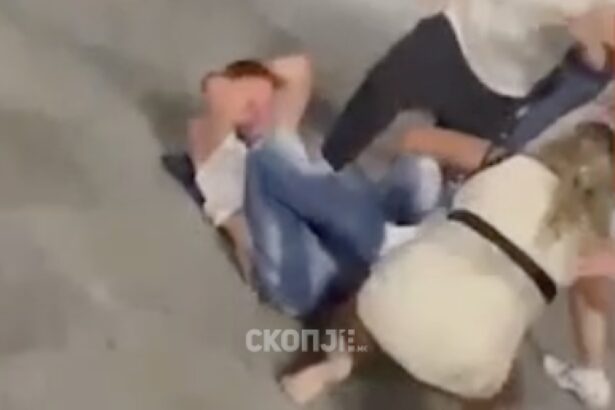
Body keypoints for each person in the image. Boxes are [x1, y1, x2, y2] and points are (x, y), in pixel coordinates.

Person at [192, 55, 440, 319]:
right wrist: (236, 85)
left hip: (344, 256)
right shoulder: (223, 155)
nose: (258, 111)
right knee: (265, 158)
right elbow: (213, 99)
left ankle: (405, 235)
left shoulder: (283, 138)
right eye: (248, 105)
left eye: (266, 102)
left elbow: (298, 67)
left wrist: (258, 77)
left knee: (420, 170)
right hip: (296, 275)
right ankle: (387, 242)